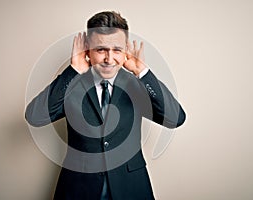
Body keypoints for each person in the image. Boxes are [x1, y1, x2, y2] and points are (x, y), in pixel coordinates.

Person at [25, 11, 186, 200]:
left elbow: (175, 118)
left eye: (117, 50)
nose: (109, 59)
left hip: (131, 188)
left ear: (126, 49)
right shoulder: (72, 84)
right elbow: (35, 117)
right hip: (78, 189)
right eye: (101, 50)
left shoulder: (136, 84)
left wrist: (142, 72)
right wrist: (73, 70)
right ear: (87, 49)